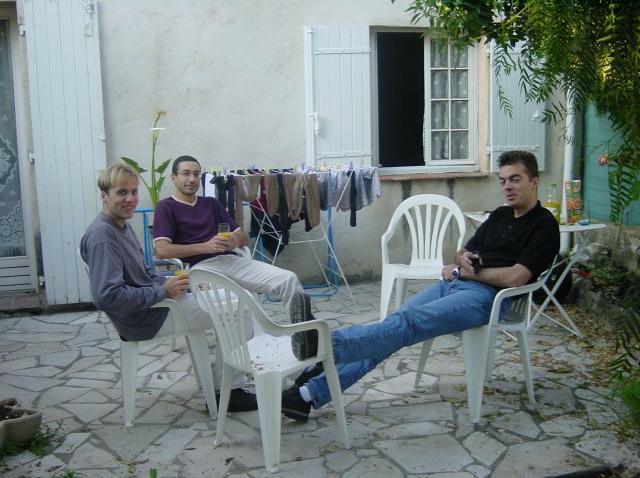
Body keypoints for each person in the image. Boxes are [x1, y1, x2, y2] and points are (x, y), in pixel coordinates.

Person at [283, 150, 560, 422]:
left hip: (487, 299)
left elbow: (516, 278)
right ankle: (307, 395)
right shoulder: (499, 215)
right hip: (453, 285)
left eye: (515, 179)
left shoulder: (544, 226)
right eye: (502, 181)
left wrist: (467, 273)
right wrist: (461, 259)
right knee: (394, 328)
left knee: (408, 322)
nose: (507, 187)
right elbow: (462, 252)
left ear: (534, 181)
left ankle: (322, 345)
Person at [80, 163, 256, 413]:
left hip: (157, 303)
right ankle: (230, 391)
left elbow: (144, 272)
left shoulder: (121, 225)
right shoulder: (102, 236)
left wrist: (172, 283)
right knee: (241, 305)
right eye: (122, 193)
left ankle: (224, 384)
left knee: (235, 297)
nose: (130, 199)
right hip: (147, 316)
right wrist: (163, 292)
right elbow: (106, 297)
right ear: (104, 196)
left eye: (133, 192)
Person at [152, 155, 307, 408]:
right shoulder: (166, 207)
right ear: (174, 178)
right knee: (235, 308)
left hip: (233, 260)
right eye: (186, 174)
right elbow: (162, 251)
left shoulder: (211, 204)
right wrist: (206, 245)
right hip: (200, 269)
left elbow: (242, 236)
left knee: (289, 280)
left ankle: (304, 352)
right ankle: (230, 389)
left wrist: (236, 241)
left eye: (195, 174)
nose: (192, 179)